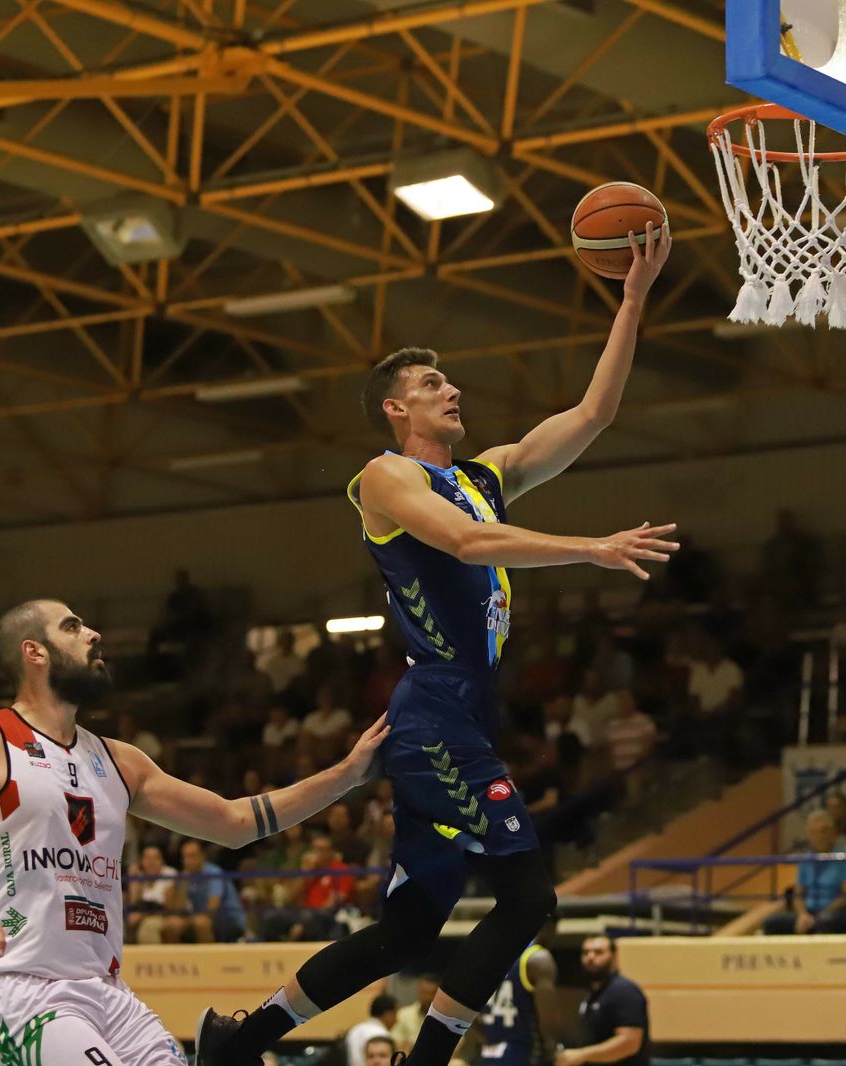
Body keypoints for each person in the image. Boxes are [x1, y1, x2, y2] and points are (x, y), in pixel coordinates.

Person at [198, 223, 673, 1066]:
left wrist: (632, 300)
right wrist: (592, 547)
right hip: (437, 713)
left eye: (447, 379)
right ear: (397, 410)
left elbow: (594, 413)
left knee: (410, 928)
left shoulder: (485, 475)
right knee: (527, 900)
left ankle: (239, 1043)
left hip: (463, 712)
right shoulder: (387, 477)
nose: (451, 388)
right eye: (430, 383)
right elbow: (464, 542)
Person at [0, 599, 387, 1066]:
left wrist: (347, 775)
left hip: (108, 995)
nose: (93, 634)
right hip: (20, 988)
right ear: (34, 652)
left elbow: (235, 824)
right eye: (72, 627)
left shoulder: (120, 761)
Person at [557, 936, 648, 1066]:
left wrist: (581, 1055)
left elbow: (630, 1042)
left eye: (598, 952)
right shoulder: (594, 993)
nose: (590, 957)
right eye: (586, 952)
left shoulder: (623, 991)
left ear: (613, 957)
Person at [763, 810, 846, 935]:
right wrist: (803, 915)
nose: (819, 836)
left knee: (828, 922)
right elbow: (798, 894)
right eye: (814, 832)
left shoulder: (843, 859)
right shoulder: (805, 860)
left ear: (832, 833)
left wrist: (822, 914)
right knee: (771, 922)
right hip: (808, 913)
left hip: (832, 912)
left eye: (823, 831)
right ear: (808, 834)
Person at [477, 925, 559, 1066]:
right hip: (523, 1054)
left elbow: (464, 1011)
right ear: (551, 926)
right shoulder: (538, 957)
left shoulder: (484, 957)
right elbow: (548, 1019)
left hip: (489, 1054)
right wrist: (552, 1051)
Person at [180, 839, 248, 944]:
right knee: (173, 925)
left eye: (192, 856)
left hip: (229, 919)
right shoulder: (185, 876)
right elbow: (176, 908)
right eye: (185, 857)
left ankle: (207, 955)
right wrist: (183, 885)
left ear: (202, 856)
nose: (188, 861)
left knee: (201, 923)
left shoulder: (214, 873)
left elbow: (213, 907)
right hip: (200, 917)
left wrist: (191, 919)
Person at [345, 994, 399, 1066]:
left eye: (382, 1056)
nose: (396, 1020)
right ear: (388, 1014)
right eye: (395, 1014)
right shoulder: (382, 1035)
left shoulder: (355, 1029)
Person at [393, 973, 441, 1053]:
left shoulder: (445, 1017)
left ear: (438, 994)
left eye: (432, 993)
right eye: (424, 992)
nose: (427, 997)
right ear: (418, 991)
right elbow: (396, 1042)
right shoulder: (403, 1014)